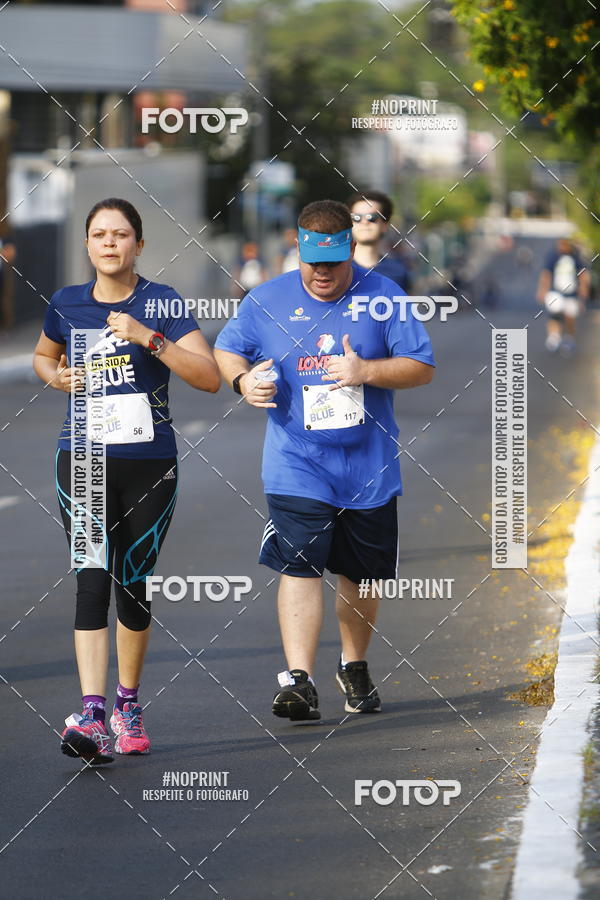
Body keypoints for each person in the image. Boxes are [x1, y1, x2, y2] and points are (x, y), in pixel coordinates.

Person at [214, 199, 434, 722]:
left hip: (369, 467)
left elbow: (421, 368)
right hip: (297, 462)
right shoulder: (267, 299)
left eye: (333, 267)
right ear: (299, 252)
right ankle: (299, 678)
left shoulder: (385, 297)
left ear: (348, 254)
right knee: (301, 563)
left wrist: (367, 371)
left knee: (361, 578)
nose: (321, 276)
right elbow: (227, 348)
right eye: (312, 266)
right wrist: (243, 380)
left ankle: (353, 664)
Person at [33, 197, 220, 763]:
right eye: (98, 235)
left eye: (120, 234)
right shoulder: (66, 303)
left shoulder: (161, 303)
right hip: (84, 456)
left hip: (149, 462)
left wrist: (148, 337)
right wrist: (57, 377)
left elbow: (209, 377)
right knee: (91, 579)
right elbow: (44, 356)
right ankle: (91, 713)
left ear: (139, 244)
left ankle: (128, 704)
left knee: (132, 580)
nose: (109, 243)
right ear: (87, 245)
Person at [347, 190, 412, 291]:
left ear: (385, 225)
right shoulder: (336, 268)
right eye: (357, 217)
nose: (364, 222)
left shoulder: (399, 272)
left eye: (372, 217)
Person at [536, 237, 589, 356]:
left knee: (570, 315)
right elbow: (546, 274)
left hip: (572, 294)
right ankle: (554, 336)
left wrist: (583, 288)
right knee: (555, 312)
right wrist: (542, 290)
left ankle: (569, 338)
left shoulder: (576, 258)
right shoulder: (553, 257)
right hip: (556, 292)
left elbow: (583, 274)